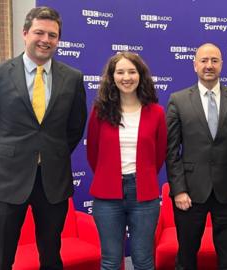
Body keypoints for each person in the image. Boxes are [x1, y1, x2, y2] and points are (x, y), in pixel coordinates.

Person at [0, 6, 87, 270]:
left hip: (52, 181)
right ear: (25, 33)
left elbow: (76, 127)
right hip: (8, 180)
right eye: (39, 32)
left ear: (58, 39)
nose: (46, 39)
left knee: (51, 255)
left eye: (53, 35)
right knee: (1, 257)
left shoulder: (73, 78)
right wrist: (0, 161)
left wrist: (51, 154)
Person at [166, 43, 227, 270]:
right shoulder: (178, 100)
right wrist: (179, 190)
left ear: (222, 65)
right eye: (204, 60)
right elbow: (171, 150)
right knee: (186, 257)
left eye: (214, 60)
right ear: (195, 65)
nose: (209, 65)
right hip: (190, 193)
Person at [86, 51, 166, 270]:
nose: (126, 77)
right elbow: (93, 152)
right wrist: (109, 176)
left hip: (144, 195)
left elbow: (159, 155)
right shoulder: (100, 111)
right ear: (112, 77)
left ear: (140, 75)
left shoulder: (156, 112)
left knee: (143, 260)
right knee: (110, 261)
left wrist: (142, 175)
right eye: (120, 72)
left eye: (132, 71)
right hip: (107, 195)